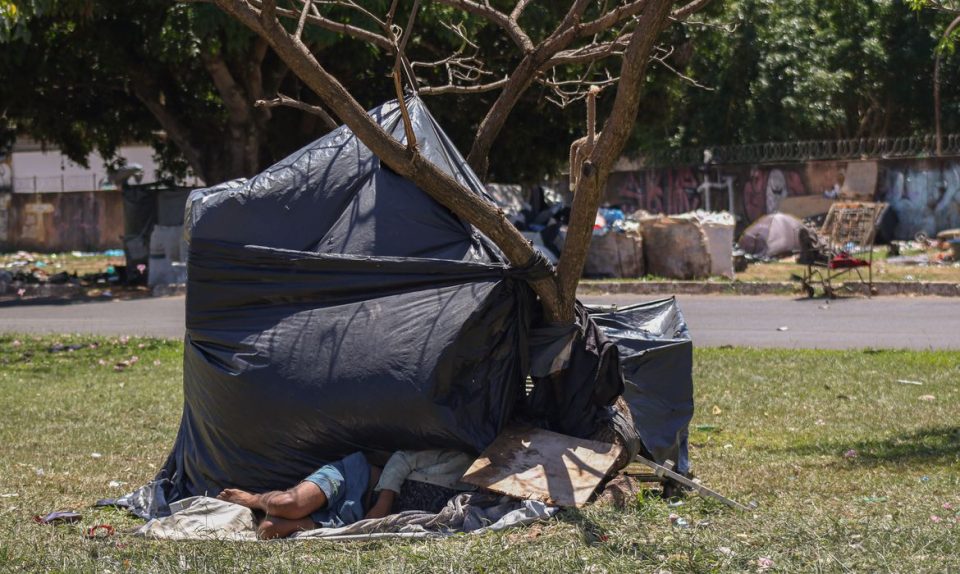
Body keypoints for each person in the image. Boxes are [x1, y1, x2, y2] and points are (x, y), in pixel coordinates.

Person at [217, 449, 473, 539]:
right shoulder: (461, 459)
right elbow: (402, 458)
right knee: (289, 504)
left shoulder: (478, 496)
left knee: (269, 530)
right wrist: (385, 500)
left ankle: (269, 511)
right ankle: (255, 499)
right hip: (354, 478)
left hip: (355, 516)